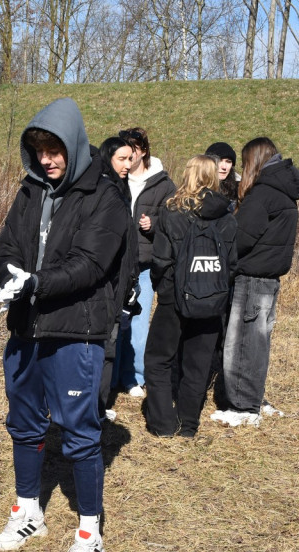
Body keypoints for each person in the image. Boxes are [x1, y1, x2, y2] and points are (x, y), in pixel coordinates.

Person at [0, 98, 128, 552]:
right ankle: (28, 509)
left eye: (55, 149)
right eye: (39, 150)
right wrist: (9, 276)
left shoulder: (105, 195)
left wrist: (36, 283)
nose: (47, 159)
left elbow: (91, 264)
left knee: (79, 431)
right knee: (24, 420)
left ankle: (90, 535)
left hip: (76, 329)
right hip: (27, 327)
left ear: (73, 144)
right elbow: (6, 243)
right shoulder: (30, 191)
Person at [212, 138, 299, 427]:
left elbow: (241, 238)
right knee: (258, 343)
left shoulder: (263, 195)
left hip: (251, 279)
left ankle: (242, 407)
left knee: (242, 343)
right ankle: (253, 399)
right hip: (269, 280)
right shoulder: (284, 192)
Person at [144, 155, 237, 437]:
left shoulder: (172, 213)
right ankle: (189, 426)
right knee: (197, 365)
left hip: (174, 298)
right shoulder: (227, 217)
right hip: (212, 301)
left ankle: (163, 424)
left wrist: (164, 289)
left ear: (188, 176)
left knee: (158, 360)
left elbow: (160, 260)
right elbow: (231, 264)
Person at [114, 127, 176, 399]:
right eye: (124, 152)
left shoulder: (163, 183)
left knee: (139, 323)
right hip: (114, 261)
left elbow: (174, 219)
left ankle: (135, 377)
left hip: (144, 263)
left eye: (133, 152)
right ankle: (112, 376)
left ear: (144, 151)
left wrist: (155, 223)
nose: (128, 158)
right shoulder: (115, 176)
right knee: (114, 322)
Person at [96, 136, 137, 421]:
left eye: (130, 158)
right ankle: (94, 406)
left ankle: (100, 403)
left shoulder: (123, 189)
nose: (128, 164)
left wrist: (131, 280)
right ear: (107, 157)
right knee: (101, 346)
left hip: (121, 278)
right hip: (103, 281)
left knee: (109, 345)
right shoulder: (101, 188)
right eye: (121, 159)